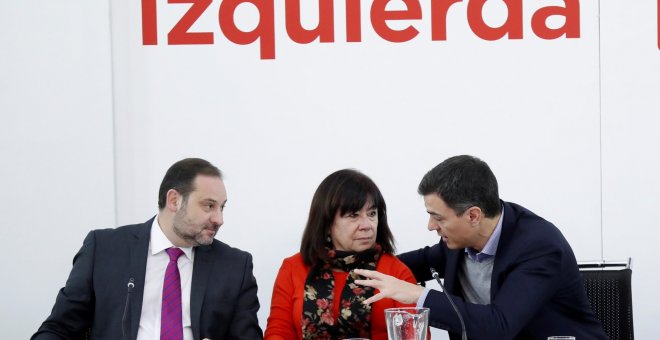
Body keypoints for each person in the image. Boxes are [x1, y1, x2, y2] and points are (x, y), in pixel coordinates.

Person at [354, 155, 607, 340]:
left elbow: (498, 326)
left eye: (439, 217)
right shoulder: (457, 243)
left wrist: (416, 295)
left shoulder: (539, 247)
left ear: (473, 216)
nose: (431, 226)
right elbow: (405, 266)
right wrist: (350, 269)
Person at [32, 158, 262, 340]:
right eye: (209, 206)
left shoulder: (234, 266)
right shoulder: (104, 249)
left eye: (222, 207)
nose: (219, 219)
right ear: (174, 200)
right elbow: (59, 329)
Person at [264, 169, 420, 340]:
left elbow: (415, 335)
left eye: (372, 214)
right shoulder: (293, 267)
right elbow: (277, 333)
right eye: (353, 215)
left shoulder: (396, 271)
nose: (367, 225)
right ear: (327, 222)